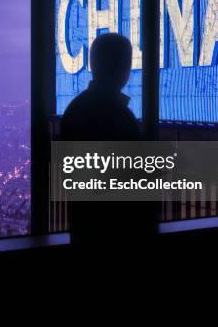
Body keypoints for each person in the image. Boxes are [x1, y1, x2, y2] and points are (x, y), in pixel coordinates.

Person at [60, 33, 156, 254]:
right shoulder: (118, 116)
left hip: (87, 228)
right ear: (122, 67)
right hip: (118, 233)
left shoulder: (74, 110)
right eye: (126, 62)